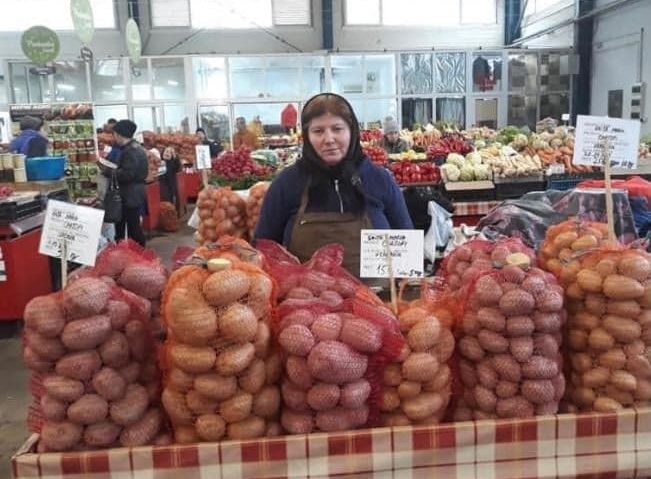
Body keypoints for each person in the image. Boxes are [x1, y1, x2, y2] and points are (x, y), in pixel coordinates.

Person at [254, 93, 413, 276]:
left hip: (378, 299)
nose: (329, 139)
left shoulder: (380, 180)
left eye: (337, 129)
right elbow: (264, 249)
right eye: (318, 131)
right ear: (306, 135)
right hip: (305, 301)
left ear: (352, 131)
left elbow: (406, 244)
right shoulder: (287, 183)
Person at [103, 119, 149, 247]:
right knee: (131, 226)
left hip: (129, 195)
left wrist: (109, 171)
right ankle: (134, 253)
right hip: (134, 193)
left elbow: (127, 174)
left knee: (130, 228)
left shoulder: (130, 151)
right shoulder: (136, 147)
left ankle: (138, 254)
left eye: (114, 134)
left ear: (118, 134)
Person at [160, 146, 180, 210]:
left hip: (170, 187)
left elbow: (177, 165)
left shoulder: (173, 163)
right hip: (160, 186)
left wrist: (175, 157)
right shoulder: (159, 162)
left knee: (169, 202)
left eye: (169, 152)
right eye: (166, 151)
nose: (167, 153)